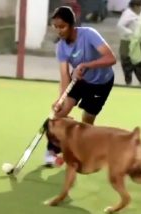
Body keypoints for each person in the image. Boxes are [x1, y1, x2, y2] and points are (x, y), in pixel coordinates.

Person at [45, 6, 116, 166]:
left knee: (86, 123)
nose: (59, 31)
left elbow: (111, 58)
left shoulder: (89, 34)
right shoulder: (61, 47)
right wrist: (60, 99)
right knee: (59, 113)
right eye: (55, 27)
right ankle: (51, 152)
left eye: (62, 26)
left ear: (72, 24)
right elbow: (64, 75)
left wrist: (87, 65)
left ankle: (82, 149)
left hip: (101, 83)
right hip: (79, 81)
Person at [117, 0, 141, 86]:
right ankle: (128, 81)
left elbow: (137, 23)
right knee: (127, 61)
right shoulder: (128, 14)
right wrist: (131, 33)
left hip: (138, 42)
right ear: (136, 6)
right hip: (128, 42)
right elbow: (120, 25)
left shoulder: (137, 14)